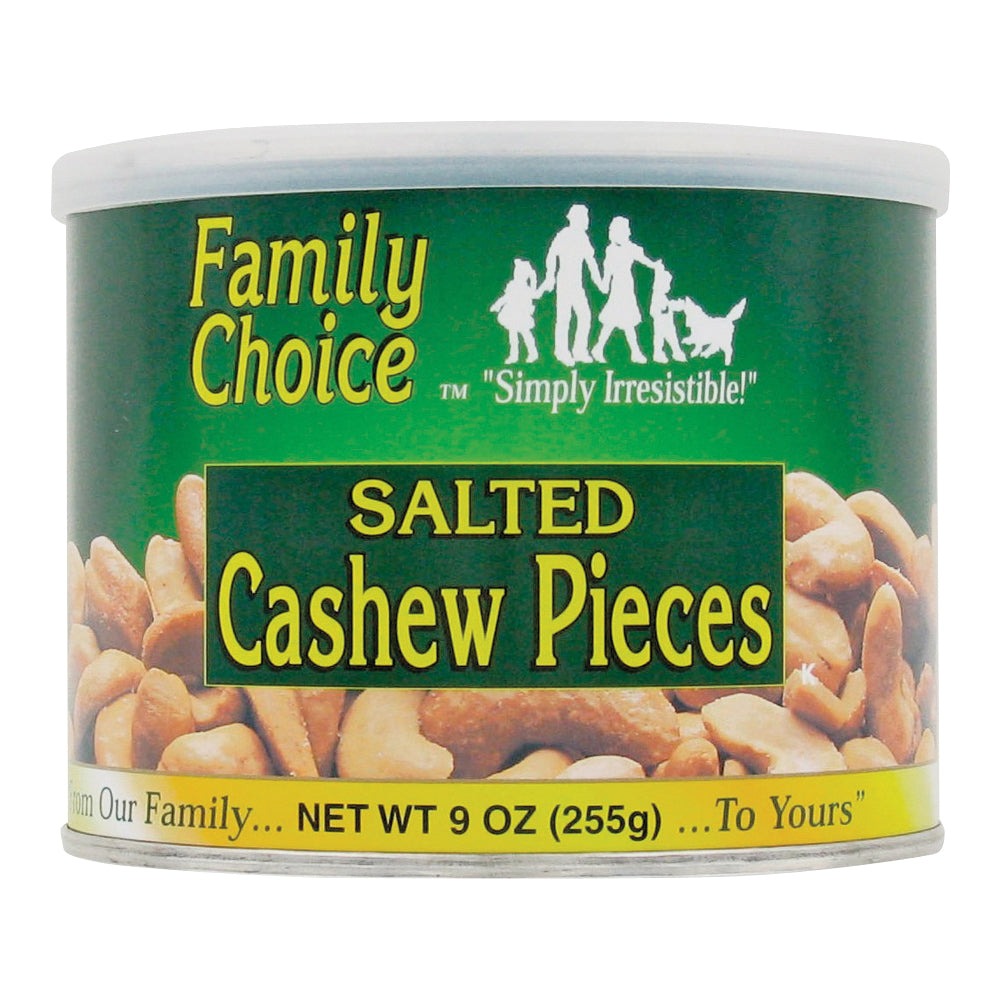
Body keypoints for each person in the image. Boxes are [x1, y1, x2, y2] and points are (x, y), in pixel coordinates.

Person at [537, 204, 603, 366]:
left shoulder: (583, 238)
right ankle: (561, 351)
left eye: (587, 217)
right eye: (584, 217)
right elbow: (552, 255)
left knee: (585, 315)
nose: (586, 221)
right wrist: (550, 276)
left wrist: (599, 282)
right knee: (564, 317)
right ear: (574, 218)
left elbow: (591, 261)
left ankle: (579, 350)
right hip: (564, 282)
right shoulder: (564, 235)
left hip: (577, 284)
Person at [591, 216, 656, 364]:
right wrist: (604, 284)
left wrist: (654, 265)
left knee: (622, 321)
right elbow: (608, 270)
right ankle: (632, 352)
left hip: (626, 286)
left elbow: (643, 259)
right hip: (618, 288)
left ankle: (601, 349)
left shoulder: (631, 248)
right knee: (620, 321)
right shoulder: (611, 250)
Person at [490, 258, 541, 363]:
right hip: (511, 313)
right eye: (516, 272)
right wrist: (497, 305)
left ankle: (533, 353)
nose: (517, 274)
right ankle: (514, 355)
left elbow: (533, 295)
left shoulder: (526, 289)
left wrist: (534, 282)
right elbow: (506, 297)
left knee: (525, 333)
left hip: (521, 314)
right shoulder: (512, 285)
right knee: (513, 334)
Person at [649, 261, 687, 364]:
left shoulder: (662, 294)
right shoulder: (658, 294)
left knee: (669, 335)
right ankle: (662, 353)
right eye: (667, 284)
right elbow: (661, 308)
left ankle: (675, 352)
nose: (668, 286)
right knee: (662, 336)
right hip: (661, 318)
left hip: (666, 318)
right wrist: (672, 306)